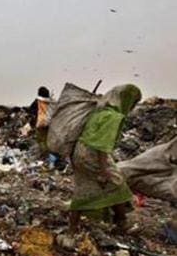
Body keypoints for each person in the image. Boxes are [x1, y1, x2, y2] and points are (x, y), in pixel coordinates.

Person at [69, 84, 142, 233]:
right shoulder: (113, 117)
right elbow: (102, 145)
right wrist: (104, 170)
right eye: (134, 102)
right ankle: (121, 223)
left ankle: (72, 228)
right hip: (92, 155)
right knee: (117, 183)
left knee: (83, 190)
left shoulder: (99, 111)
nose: (133, 106)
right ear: (126, 99)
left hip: (79, 152)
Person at [29, 86, 55, 156]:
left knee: (41, 140)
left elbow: (31, 110)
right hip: (50, 123)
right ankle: (50, 153)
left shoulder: (38, 101)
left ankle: (45, 154)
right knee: (47, 139)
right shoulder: (52, 102)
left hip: (41, 123)